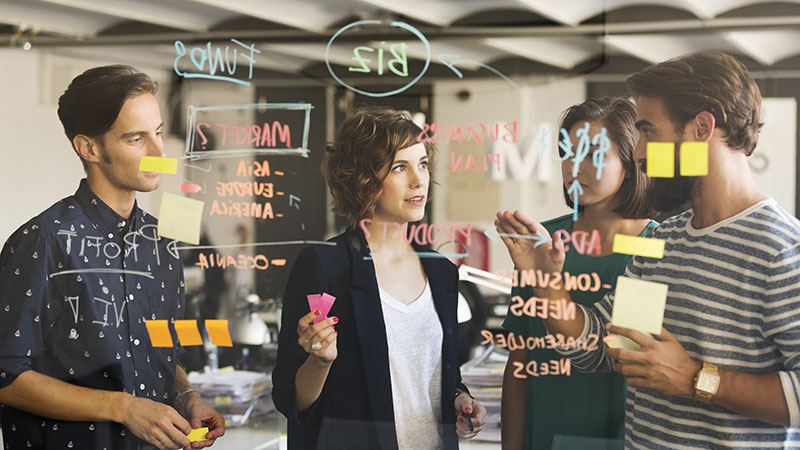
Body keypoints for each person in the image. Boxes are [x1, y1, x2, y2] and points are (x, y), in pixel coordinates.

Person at [496, 51, 800, 448]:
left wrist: (695, 378)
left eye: (649, 131)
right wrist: (548, 282)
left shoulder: (781, 250)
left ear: (702, 127)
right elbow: (604, 349)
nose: (638, 153)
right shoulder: (663, 243)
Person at [0, 65, 224, 450]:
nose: (158, 153)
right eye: (137, 139)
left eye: (157, 133)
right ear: (89, 148)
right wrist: (123, 408)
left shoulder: (164, 241)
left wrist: (186, 396)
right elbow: (6, 375)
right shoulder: (43, 240)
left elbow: (163, 356)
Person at [272, 107, 487, 450]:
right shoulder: (326, 267)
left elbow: (435, 375)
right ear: (362, 179)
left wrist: (459, 400)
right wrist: (319, 360)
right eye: (400, 167)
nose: (419, 180)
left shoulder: (442, 271)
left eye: (423, 164)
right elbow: (289, 399)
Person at [499, 97, 657, 450]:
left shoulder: (653, 245)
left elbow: (622, 354)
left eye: (593, 154)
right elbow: (519, 358)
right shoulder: (541, 242)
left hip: (622, 437)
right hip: (546, 432)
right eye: (569, 153)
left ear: (630, 165)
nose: (575, 167)